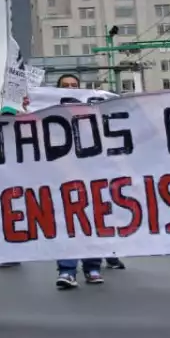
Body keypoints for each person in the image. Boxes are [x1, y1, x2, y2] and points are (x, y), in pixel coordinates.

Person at [53, 73, 117, 287]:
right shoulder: (50, 112)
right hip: (63, 175)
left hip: (92, 175)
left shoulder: (94, 113)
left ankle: (92, 267)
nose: (70, 88)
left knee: (92, 219)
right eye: (65, 86)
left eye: (74, 85)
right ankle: (67, 270)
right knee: (68, 223)